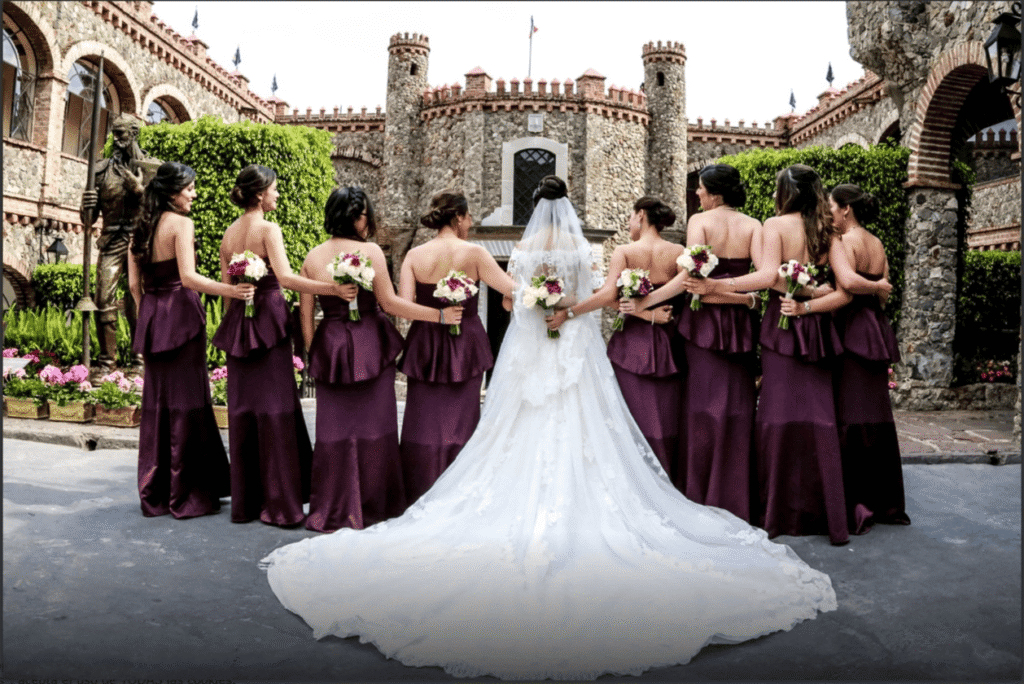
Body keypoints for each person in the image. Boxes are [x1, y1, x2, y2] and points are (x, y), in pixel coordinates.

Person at [259, 175, 837, 681]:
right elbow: (586, 296)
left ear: (534, 209)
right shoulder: (582, 247)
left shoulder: (525, 246)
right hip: (573, 349)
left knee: (514, 424)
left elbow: (514, 303)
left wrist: (535, 304)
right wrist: (569, 310)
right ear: (569, 207)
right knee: (588, 425)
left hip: (532, 351)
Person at [298, 187, 464, 533]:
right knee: (377, 428)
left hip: (331, 347)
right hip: (372, 344)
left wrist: (318, 356)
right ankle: (377, 504)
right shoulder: (370, 250)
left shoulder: (313, 257)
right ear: (358, 217)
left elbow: (306, 316)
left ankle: (332, 506)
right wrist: (439, 317)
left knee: (334, 431)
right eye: (365, 215)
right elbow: (390, 304)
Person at [211, 165, 353, 528]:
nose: (278, 195)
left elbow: (228, 291)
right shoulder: (268, 229)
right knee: (276, 409)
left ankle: (247, 503)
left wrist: (235, 328)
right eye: (274, 189)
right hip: (270, 319)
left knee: (244, 410)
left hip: (241, 323)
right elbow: (288, 278)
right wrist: (332, 289)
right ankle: (280, 504)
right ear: (259, 194)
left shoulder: (229, 234)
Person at [625, 166, 765, 519]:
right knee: (739, 407)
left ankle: (700, 495)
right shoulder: (755, 225)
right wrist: (738, 293)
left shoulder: (700, 221)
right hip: (740, 321)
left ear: (715, 193)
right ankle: (738, 496)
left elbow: (687, 279)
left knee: (702, 408)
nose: (697, 195)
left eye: (700, 189)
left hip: (704, 320)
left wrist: (646, 303)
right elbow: (764, 277)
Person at [127, 161, 253, 519]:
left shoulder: (140, 228)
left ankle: (156, 490)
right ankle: (187, 493)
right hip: (181, 316)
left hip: (153, 317)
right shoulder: (181, 224)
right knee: (188, 402)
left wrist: (147, 313)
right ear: (172, 191)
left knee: (157, 404)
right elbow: (188, 277)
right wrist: (232, 288)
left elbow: (135, 286)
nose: (194, 194)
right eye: (190, 188)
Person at [781, 183, 908, 535]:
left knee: (850, 416)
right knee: (876, 415)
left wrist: (804, 306)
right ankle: (885, 500)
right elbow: (883, 289)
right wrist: (880, 288)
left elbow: (847, 286)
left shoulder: (848, 241)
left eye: (833, 208)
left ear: (846, 209)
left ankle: (856, 502)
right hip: (875, 329)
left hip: (852, 330)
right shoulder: (877, 242)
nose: (829, 214)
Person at [547, 195, 681, 476]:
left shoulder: (626, 251)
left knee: (630, 413)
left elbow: (608, 294)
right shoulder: (678, 250)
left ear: (641, 215)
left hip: (631, 343)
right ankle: (667, 476)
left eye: (631, 216)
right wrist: (649, 312)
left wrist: (569, 313)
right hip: (669, 342)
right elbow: (688, 287)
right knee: (666, 415)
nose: (628, 222)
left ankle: (634, 476)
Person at [752, 164, 850, 545]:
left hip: (783, 323)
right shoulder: (829, 233)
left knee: (776, 418)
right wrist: (813, 300)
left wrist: (801, 299)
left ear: (784, 193)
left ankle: (776, 514)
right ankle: (829, 517)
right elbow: (844, 293)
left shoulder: (773, 226)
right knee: (819, 419)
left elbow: (767, 277)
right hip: (817, 330)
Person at [397, 190, 514, 505]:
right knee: (462, 418)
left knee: (422, 418)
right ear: (459, 217)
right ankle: (459, 495)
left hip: (424, 345)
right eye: (469, 215)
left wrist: (434, 316)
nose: (472, 222)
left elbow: (402, 307)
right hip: (465, 345)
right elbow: (510, 289)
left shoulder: (414, 256)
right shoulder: (474, 253)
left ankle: (418, 492)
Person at [81, 114, 161, 376]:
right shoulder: (100, 170)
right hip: (112, 240)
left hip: (141, 243)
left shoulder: (152, 170)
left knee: (138, 300)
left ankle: (139, 362)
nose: (116, 139)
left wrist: (139, 192)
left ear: (135, 134)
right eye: (114, 133)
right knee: (103, 299)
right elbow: (88, 221)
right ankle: (107, 364)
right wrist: (88, 205)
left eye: (122, 134)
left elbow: (162, 212)